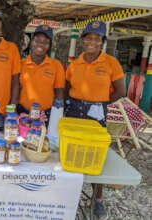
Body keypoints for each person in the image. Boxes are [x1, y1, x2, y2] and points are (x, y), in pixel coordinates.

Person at [65, 20, 126, 220]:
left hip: (96, 112)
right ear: (83, 40)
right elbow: (67, 87)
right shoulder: (75, 63)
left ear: (102, 41)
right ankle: (70, 196)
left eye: (96, 38)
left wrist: (101, 106)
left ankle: (97, 199)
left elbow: (121, 91)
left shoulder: (111, 63)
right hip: (74, 110)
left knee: (96, 155)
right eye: (89, 37)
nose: (92, 41)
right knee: (72, 152)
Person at [17, 25, 65, 125]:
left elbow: (59, 93)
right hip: (23, 113)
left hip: (46, 115)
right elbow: (15, 88)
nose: (41, 45)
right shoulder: (21, 64)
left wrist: (57, 116)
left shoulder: (56, 65)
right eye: (37, 40)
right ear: (31, 42)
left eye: (45, 42)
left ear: (49, 45)